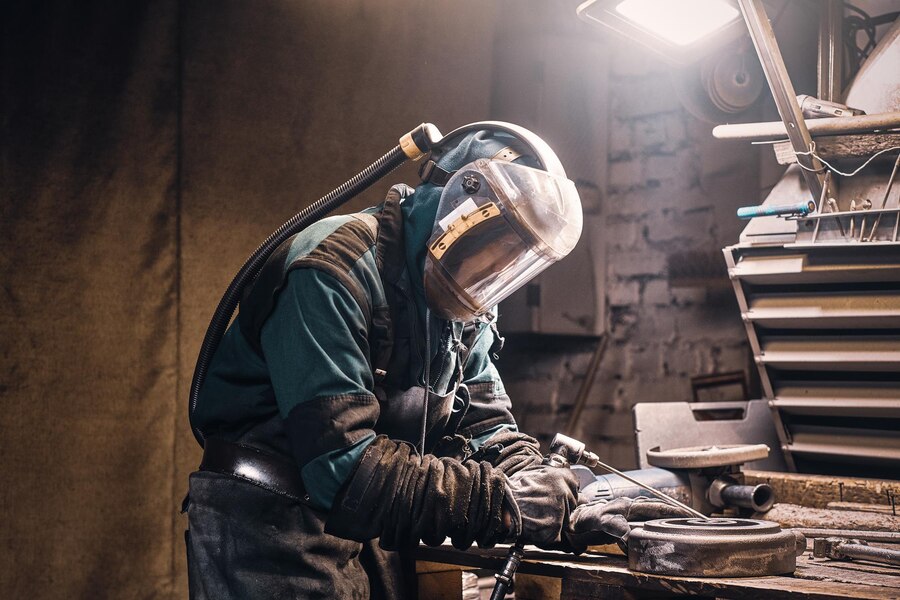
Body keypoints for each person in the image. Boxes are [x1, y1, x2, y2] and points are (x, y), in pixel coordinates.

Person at [184, 125, 681, 599]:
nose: (492, 269)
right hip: (266, 531)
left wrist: (556, 501)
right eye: (491, 242)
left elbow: (487, 427)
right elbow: (345, 471)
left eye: (512, 257)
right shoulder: (331, 271)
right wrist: (506, 506)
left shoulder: (467, 305)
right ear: (452, 202)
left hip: (366, 528)